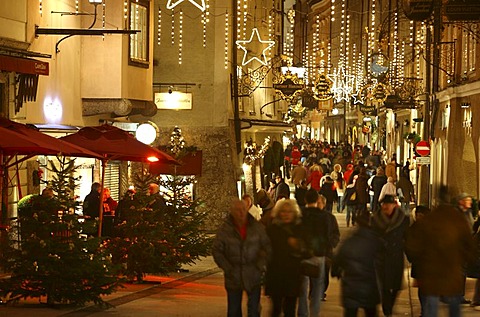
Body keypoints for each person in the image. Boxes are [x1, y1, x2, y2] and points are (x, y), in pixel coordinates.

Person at [405, 198, 476, 317]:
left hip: (431, 274)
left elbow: (413, 246)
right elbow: (469, 245)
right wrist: (464, 260)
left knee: (431, 304)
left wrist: (418, 263)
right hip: (452, 272)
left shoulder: (428, 221)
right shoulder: (458, 221)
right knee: (454, 303)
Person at [212, 199, 272, 317]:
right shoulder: (225, 230)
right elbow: (217, 250)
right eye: (238, 210)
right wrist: (227, 268)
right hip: (233, 275)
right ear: (232, 212)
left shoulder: (256, 227)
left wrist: (260, 265)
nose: (241, 213)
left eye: (243, 209)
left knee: (254, 310)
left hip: (253, 274)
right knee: (234, 310)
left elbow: (266, 246)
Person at [332, 213, 382, 317]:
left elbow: (337, 260)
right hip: (369, 286)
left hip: (351, 286)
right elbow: (383, 261)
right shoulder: (376, 241)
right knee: (371, 312)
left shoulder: (349, 241)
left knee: (350, 312)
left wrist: (336, 272)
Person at [265, 199, 305, 317]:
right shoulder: (272, 230)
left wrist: (298, 246)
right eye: (283, 211)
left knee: (290, 310)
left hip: (293, 275)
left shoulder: (299, 229)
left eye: (289, 211)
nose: (286, 214)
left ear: (294, 213)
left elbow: (308, 250)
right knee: (275, 309)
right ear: (278, 213)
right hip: (276, 275)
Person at [370, 194, 409, 317]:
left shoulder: (403, 219)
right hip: (381, 257)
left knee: (396, 285)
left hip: (396, 255)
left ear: (394, 205)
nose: (385, 206)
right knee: (384, 286)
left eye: (388, 204)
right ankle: (387, 310)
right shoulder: (375, 219)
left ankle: (389, 305)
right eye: (383, 204)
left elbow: (407, 237)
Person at [298, 190, 332, 317]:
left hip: (303, 254)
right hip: (318, 254)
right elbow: (327, 235)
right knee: (318, 286)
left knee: (303, 286)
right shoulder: (323, 216)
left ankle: (303, 312)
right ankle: (315, 312)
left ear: (305, 200)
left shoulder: (301, 214)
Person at [405, 205, 430, 317]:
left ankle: (426, 311)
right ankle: (425, 311)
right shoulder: (413, 228)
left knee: (426, 290)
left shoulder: (430, 228)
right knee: (424, 289)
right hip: (421, 263)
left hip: (425, 263)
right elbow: (408, 246)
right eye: (418, 215)